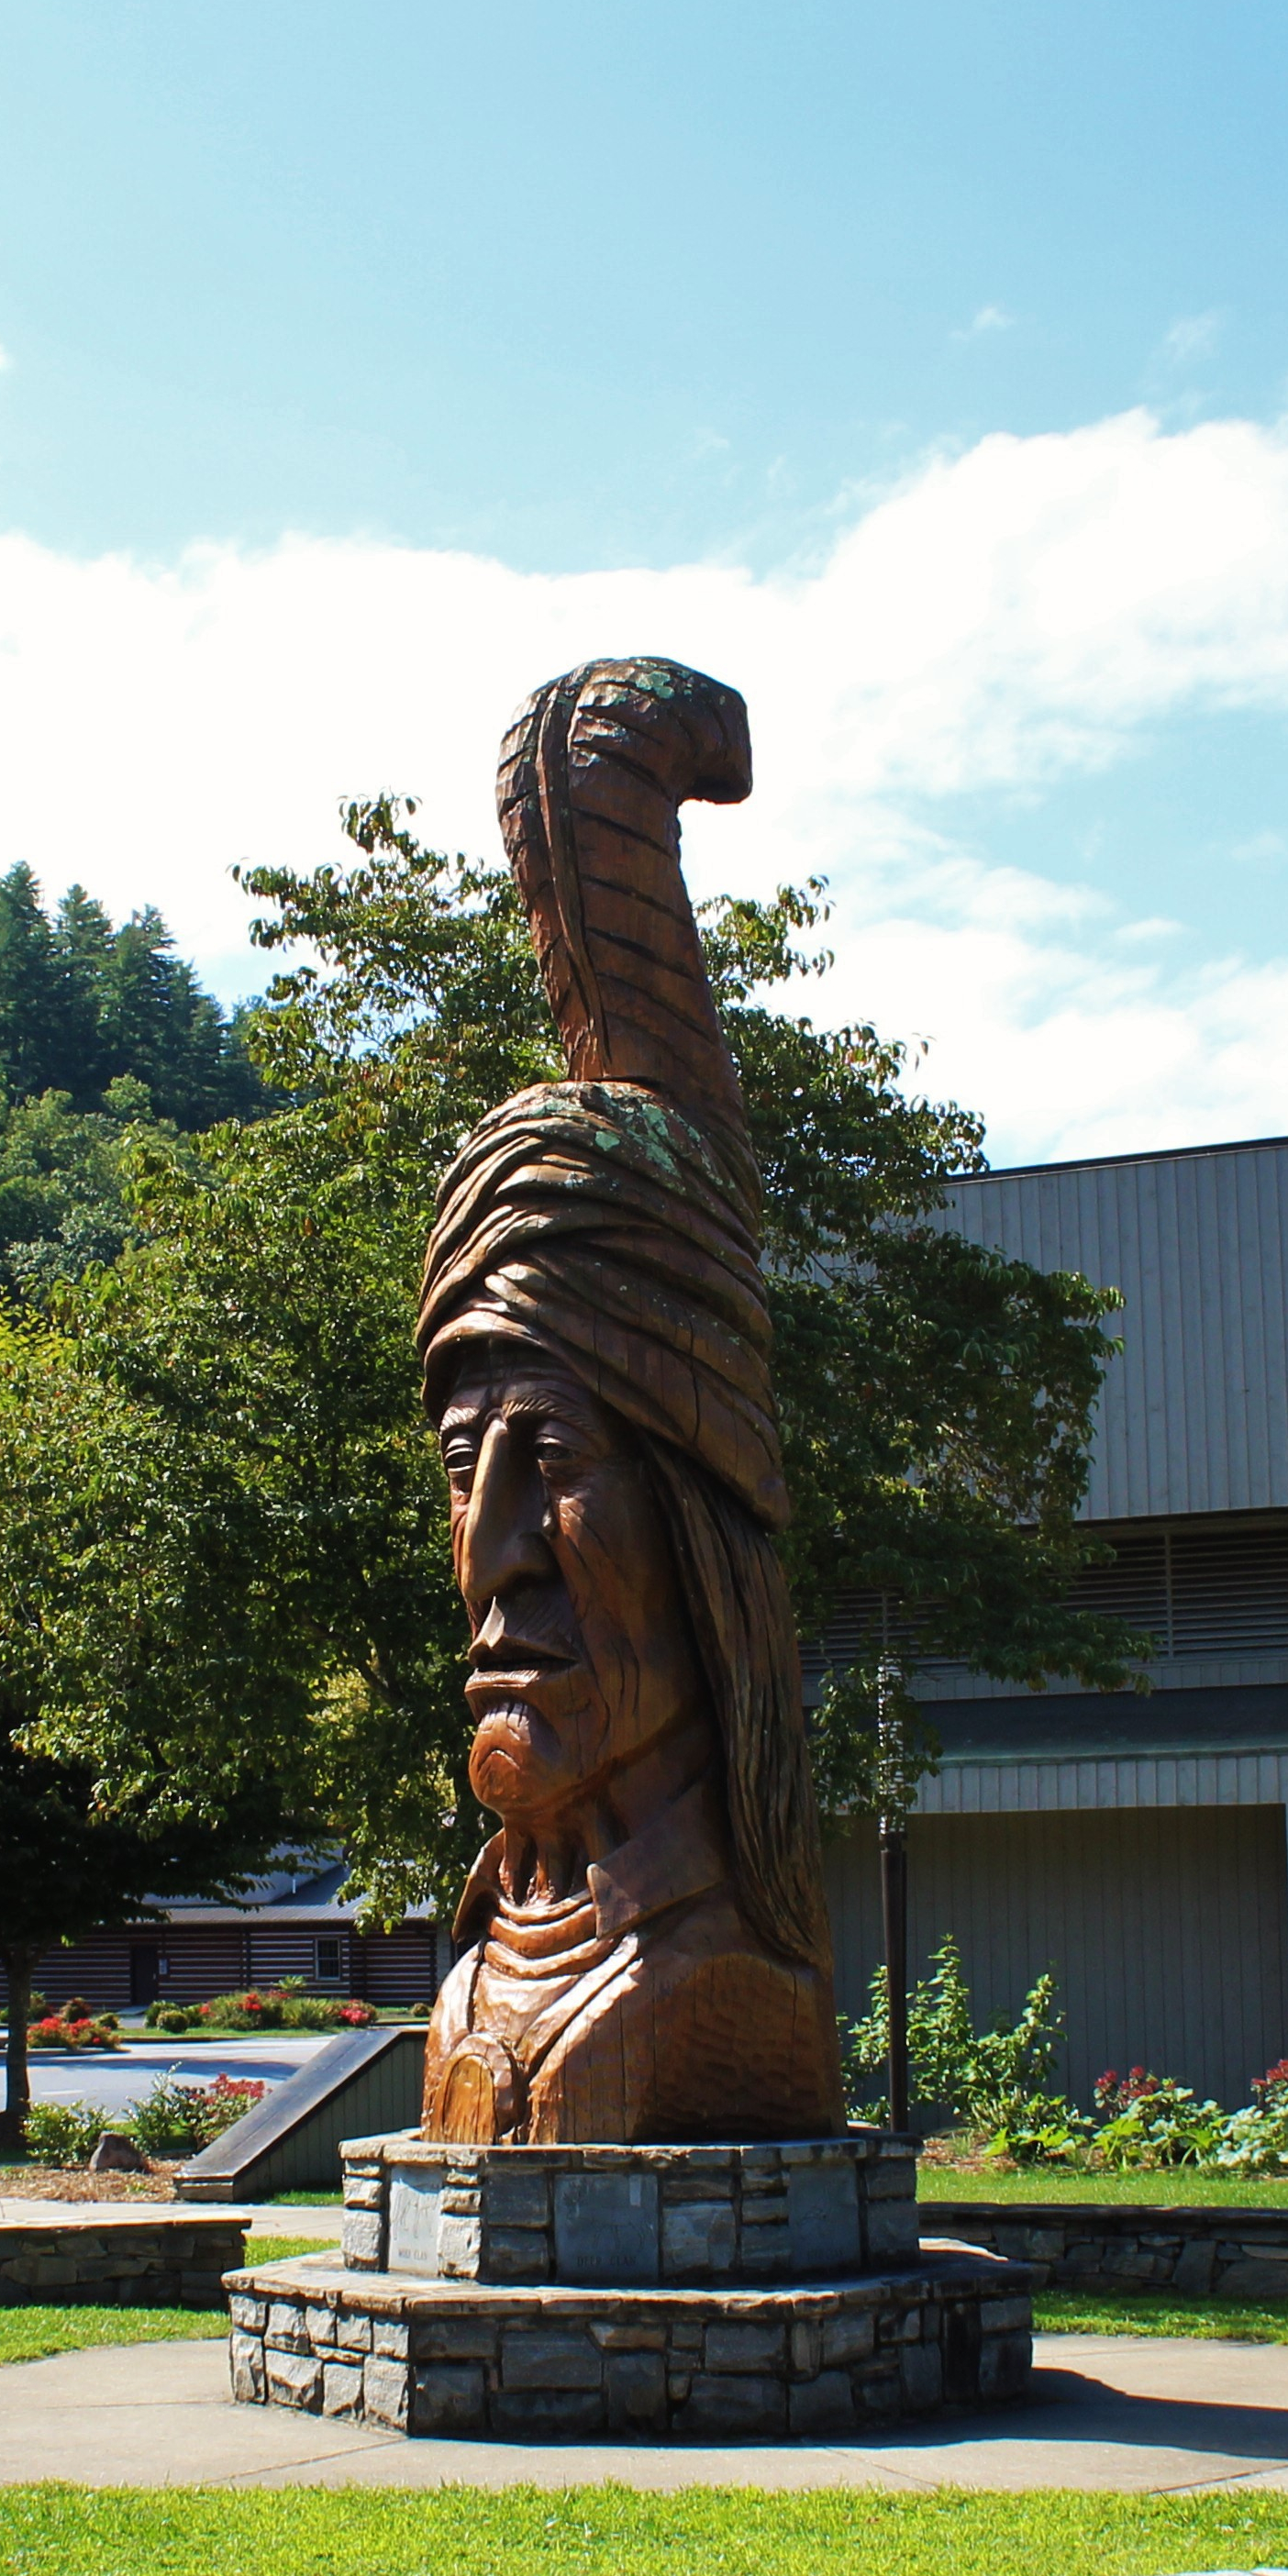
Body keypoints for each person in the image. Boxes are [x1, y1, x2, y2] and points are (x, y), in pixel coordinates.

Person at [412, 660, 841, 2148]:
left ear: (703, 1518)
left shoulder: (720, 1984)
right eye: (464, 1466)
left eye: (555, 1461)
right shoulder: (477, 1979)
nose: (493, 1550)